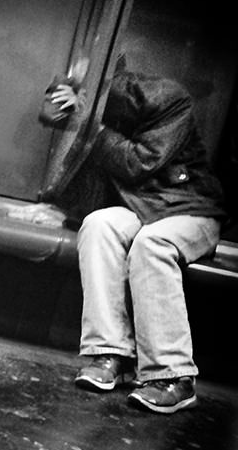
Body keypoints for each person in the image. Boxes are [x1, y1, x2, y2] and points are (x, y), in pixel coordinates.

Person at [47, 56, 227, 413]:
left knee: (152, 244)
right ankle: (111, 354)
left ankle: (173, 376)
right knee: (99, 224)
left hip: (190, 210)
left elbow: (138, 162)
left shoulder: (167, 100)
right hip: (144, 210)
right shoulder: (100, 112)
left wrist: (92, 125)